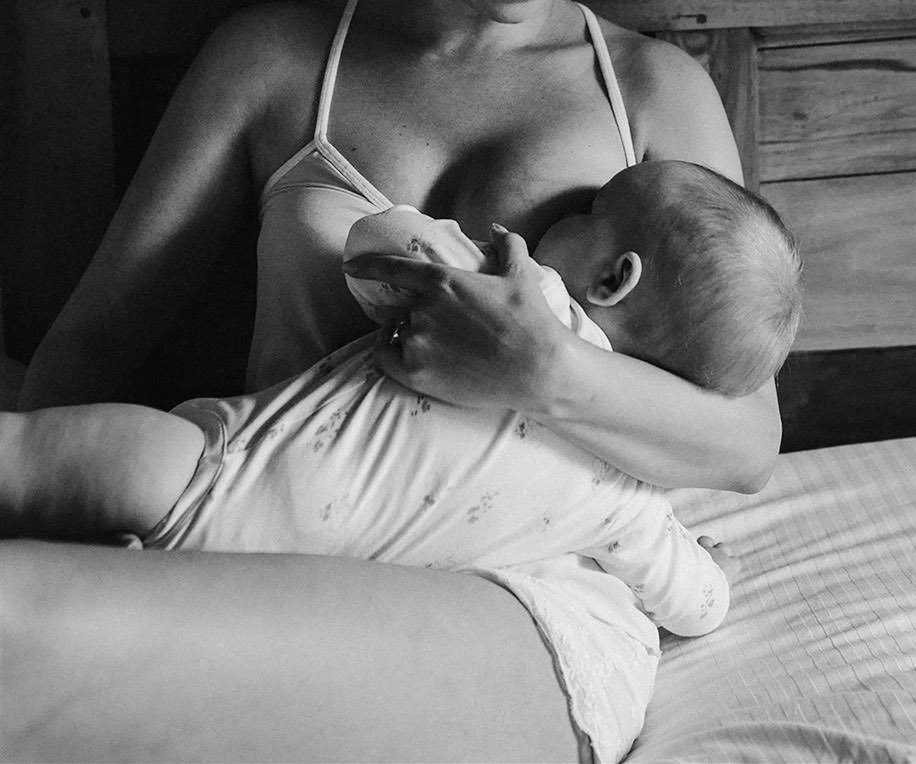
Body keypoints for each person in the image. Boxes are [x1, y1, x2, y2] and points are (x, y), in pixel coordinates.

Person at [8, 0, 783, 764]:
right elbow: (97, 340)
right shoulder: (271, 63)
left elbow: (749, 442)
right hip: (266, 535)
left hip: (520, 597)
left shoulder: (654, 92)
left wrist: (547, 371)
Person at [2, 164, 801, 635]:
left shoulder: (522, 300)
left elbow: (375, 247)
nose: (567, 212)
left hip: (218, 478)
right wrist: (714, 574)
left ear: (614, 278)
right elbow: (695, 605)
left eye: (589, 213)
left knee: (30, 457)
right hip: (302, 601)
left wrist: (462, 253)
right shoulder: (634, 503)